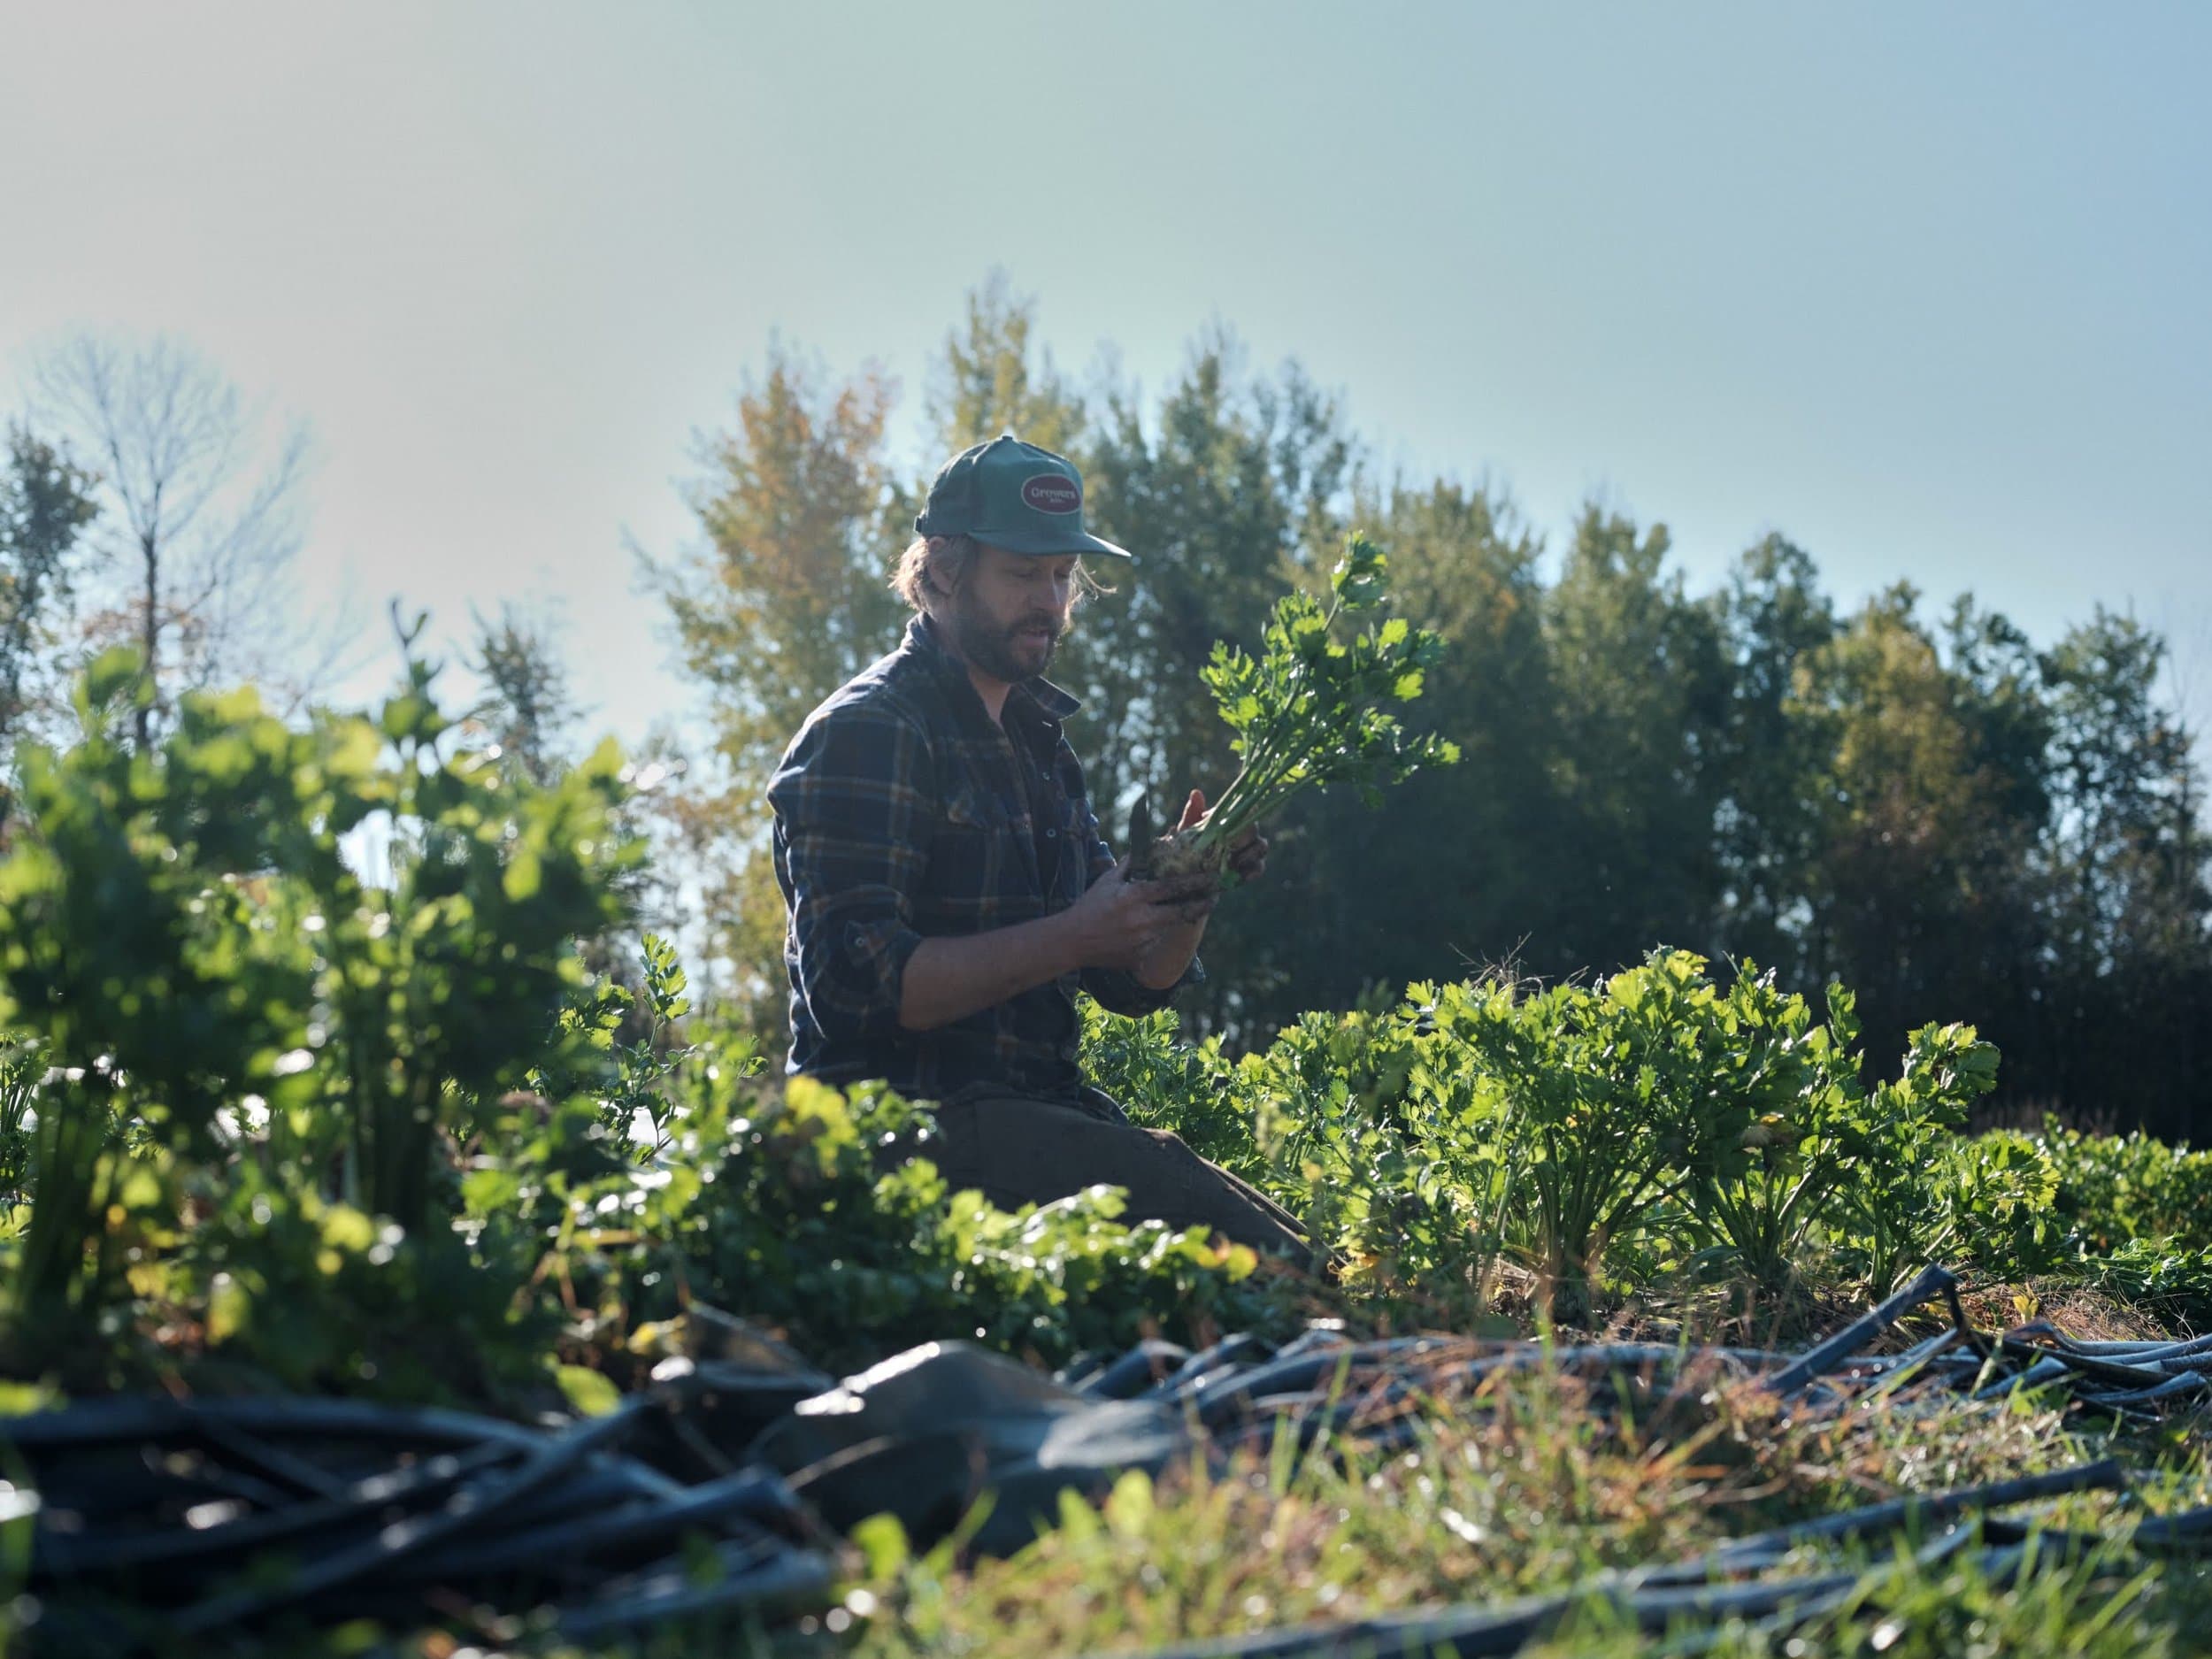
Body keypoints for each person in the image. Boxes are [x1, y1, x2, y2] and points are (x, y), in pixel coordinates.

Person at [767, 434, 1307, 1256]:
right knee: (1264, 1266)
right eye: (1022, 574)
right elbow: (860, 990)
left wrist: (1187, 884)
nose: (1050, 602)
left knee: (1308, 1254)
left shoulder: (1039, 743)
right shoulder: (870, 730)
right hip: (901, 1132)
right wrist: (1077, 932)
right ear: (943, 570)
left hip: (1033, 1119)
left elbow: (1127, 979)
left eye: (1061, 576)